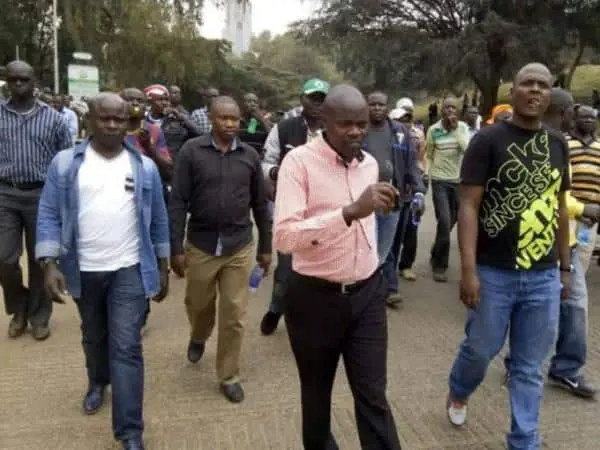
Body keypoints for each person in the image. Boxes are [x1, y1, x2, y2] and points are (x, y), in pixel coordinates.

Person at [446, 63, 571, 449]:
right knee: (480, 350)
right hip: (493, 272)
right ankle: (459, 389)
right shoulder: (487, 140)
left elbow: (560, 207)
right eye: (527, 83)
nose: (535, 90)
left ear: (549, 95)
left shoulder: (557, 144)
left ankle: (523, 440)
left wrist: (566, 268)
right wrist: (468, 270)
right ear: (512, 91)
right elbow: (468, 206)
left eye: (542, 85)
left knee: (530, 367)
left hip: (543, 275)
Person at [36, 92, 169, 450]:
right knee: (94, 338)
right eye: (104, 118)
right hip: (82, 269)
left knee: (127, 347)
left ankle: (130, 433)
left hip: (128, 268)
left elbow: (158, 218)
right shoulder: (65, 163)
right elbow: (48, 213)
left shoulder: (144, 167)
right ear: (89, 121)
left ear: (128, 122)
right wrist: (49, 263)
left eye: (118, 119)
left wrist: (162, 265)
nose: (111, 125)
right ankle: (97, 381)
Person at [274, 84, 402, 450]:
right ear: (324, 122)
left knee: (373, 396)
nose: (356, 131)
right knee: (317, 397)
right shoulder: (298, 163)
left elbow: (368, 220)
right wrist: (347, 213)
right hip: (315, 300)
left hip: (367, 294)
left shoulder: (370, 165)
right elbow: (284, 237)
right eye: (346, 124)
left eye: (361, 124)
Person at [169, 96, 272, 403]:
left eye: (235, 119)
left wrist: (266, 247)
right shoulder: (191, 152)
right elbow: (178, 202)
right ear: (211, 119)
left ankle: (228, 375)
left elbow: (260, 204)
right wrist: (175, 247)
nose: (230, 124)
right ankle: (199, 335)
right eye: (223, 118)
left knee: (234, 314)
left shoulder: (249, 156)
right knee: (198, 305)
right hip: (201, 245)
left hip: (239, 245)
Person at [503, 89, 598, 399]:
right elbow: (548, 197)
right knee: (534, 311)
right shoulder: (538, 145)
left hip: (567, 243)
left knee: (575, 307)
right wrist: (583, 208)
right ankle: (518, 364)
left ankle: (566, 370)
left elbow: (562, 196)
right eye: (573, 110)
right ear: (564, 111)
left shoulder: (559, 143)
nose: (577, 115)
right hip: (538, 244)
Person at [0, 60, 72, 340]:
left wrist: (63, 200)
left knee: (41, 258)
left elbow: (65, 160)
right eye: (13, 79)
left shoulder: (54, 119)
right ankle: (18, 308)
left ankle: (39, 317)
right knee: (4, 258)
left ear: (35, 83)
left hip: (42, 195)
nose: (18, 84)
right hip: (5, 193)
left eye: (24, 80)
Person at [259, 78, 329, 336]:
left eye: (322, 98)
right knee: (287, 268)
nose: (317, 103)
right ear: (302, 99)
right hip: (290, 209)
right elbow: (266, 161)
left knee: (320, 269)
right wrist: (276, 172)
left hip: (324, 211)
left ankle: (310, 319)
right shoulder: (285, 128)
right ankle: (276, 308)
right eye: (313, 97)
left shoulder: (335, 130)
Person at [364, 92, 424, 307]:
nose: (377, 108)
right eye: (373, 104)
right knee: (368, 247)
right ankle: (371, 293)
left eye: (381, 105)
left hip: (393, 202)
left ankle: (380, 288)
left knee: (384, 250)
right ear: (367, 106)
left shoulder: (399, 132)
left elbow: (411, 165)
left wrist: (419, 191)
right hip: (365, 202)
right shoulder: (360, 129)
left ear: (387, 107)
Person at [426, 97, 470, 282]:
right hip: (439, 181)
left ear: (457, 111)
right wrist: (427, 173)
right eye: (447, 108)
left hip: (459, 182)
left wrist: (455, 130)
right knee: (444, 221)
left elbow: (466, 149)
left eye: (453, 108)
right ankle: (440, 266)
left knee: (451, 222)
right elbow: (429, 155)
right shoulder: (433, 130)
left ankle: (437, 248)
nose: (450, 110)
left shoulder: (463, 128)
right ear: (441, 111)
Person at [389, 105, 427, 283]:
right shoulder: (387, 138)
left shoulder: (417, 136)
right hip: (392, 194)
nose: (405, 124)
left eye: (408, 120)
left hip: (411, 190)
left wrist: (420, 187)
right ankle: (388, 276)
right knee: (393, 236)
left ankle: (405, 266)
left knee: (411, 229)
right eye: (400, 120)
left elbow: (419, 160)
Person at [144, 84, 201, 160]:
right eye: (160, 100)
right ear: (150, 102)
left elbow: (199, 134)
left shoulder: (177, 118)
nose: (164, 103)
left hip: (171, 163)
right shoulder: (143, 119)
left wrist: (182, 118)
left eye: (166, 99)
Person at [238, 92, 271, 157]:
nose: (252, 104)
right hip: (239, 155)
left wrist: (261, 119)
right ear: (242, 104)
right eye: (249, 101)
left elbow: (271, 138)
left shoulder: (263, 122)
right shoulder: (237, 120)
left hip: (258, 157)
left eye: (255, 102)